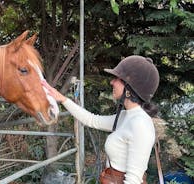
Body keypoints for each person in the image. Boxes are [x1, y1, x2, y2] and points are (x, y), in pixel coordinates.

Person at [42, 55, 160, 184]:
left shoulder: (140, 123)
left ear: (129, 87)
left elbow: (133, 181)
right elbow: (92, 120)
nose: (112, 82)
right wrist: (62, 99)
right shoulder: (127, 116)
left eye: (117, 79)